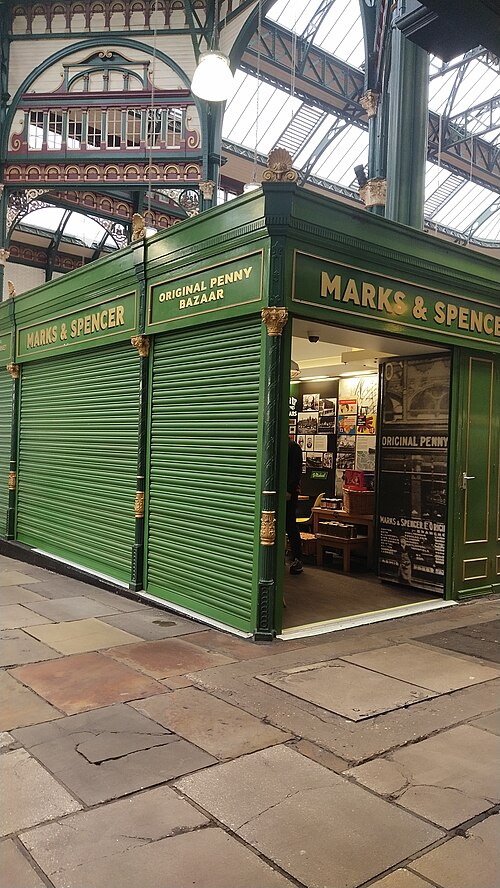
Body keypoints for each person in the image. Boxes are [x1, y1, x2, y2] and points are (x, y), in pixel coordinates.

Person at [287, 438, 303, 575]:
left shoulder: (293, 447)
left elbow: (295, 472)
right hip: (284, 492)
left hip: (289, 494)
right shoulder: (290, 447)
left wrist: (290, 490)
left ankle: (298, 558)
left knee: (290, 525)